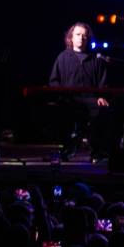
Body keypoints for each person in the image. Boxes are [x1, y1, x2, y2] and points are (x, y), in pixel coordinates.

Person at [48, 22, 112, 160]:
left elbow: (103, 82)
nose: (81, 38)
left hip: (91, 99)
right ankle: (68, 149)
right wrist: (61, 95)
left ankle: (97, 152)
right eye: (78, 34)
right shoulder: (63, 57)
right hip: (69, 99)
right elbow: (54, 81)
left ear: (88, 39)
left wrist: (101, 96)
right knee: (63, 111)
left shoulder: (96, 59)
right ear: (71, 37)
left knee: (103, 110)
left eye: (84, 35)